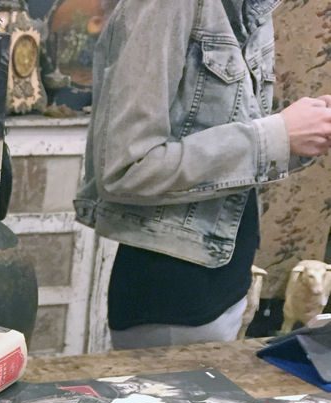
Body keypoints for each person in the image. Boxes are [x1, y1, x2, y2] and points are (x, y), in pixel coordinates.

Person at [75, 0, 331, 349]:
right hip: (171, 298)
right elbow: (127, 167)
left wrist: (301, 135)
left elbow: (231, 149)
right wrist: (276, 136)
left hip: (230, 284)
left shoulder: (251, 11)